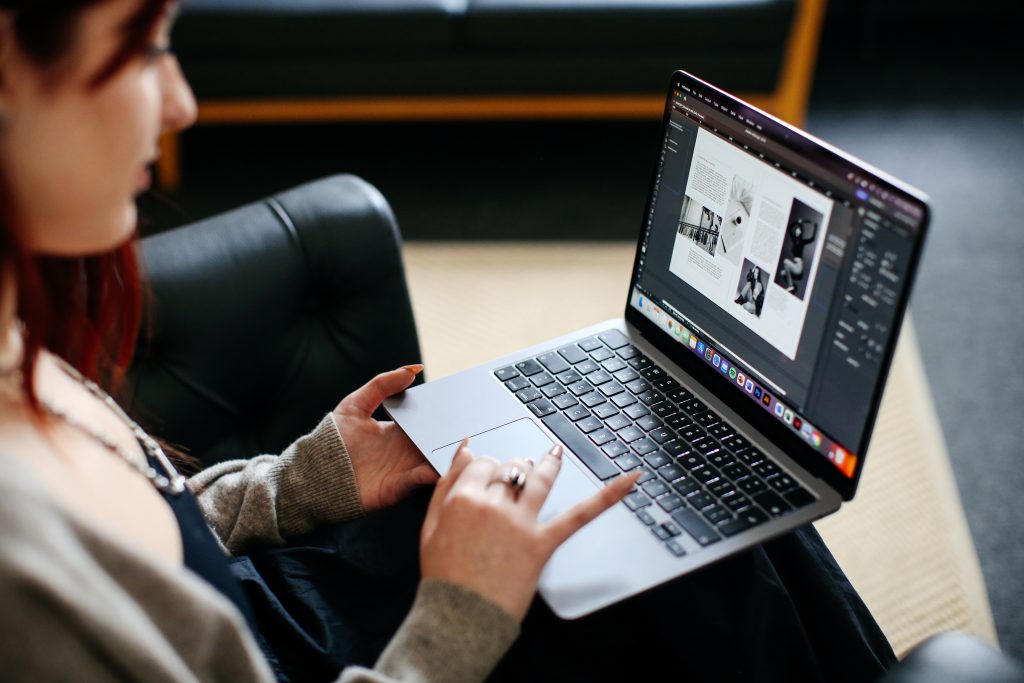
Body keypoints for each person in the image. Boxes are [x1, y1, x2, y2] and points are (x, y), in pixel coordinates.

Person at [0, 1, 898, 681]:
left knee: (692, 499)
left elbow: (158, 533)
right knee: (719, 566)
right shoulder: (16, 571)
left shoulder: (11, 344)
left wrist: (303, 480)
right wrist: (461, 610)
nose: (181, 103)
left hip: (276, 601)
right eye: (146, 48)